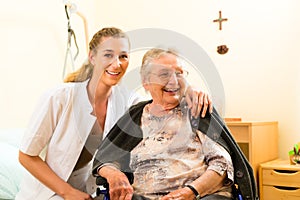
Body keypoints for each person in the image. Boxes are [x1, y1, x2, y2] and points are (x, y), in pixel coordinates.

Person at [15, 27, 212, 200]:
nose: (117, 64)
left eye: (123, 56)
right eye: (108, 55)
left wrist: (190, 90)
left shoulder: (129, 102)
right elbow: (26, 156)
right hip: (48, 192)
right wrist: (67, 193)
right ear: (92, 57)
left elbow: (157, 99)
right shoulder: (59, 98)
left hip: (90, 191)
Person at [92, 48, 258, 200]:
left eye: (179, 74)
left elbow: (221, 165)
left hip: (201, 196)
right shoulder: (135, 115)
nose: (173, 81)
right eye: (164, 74)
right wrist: (114, 175)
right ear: (146, 82)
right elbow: (104, 158)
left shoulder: (197, 109)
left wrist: (190, 192)